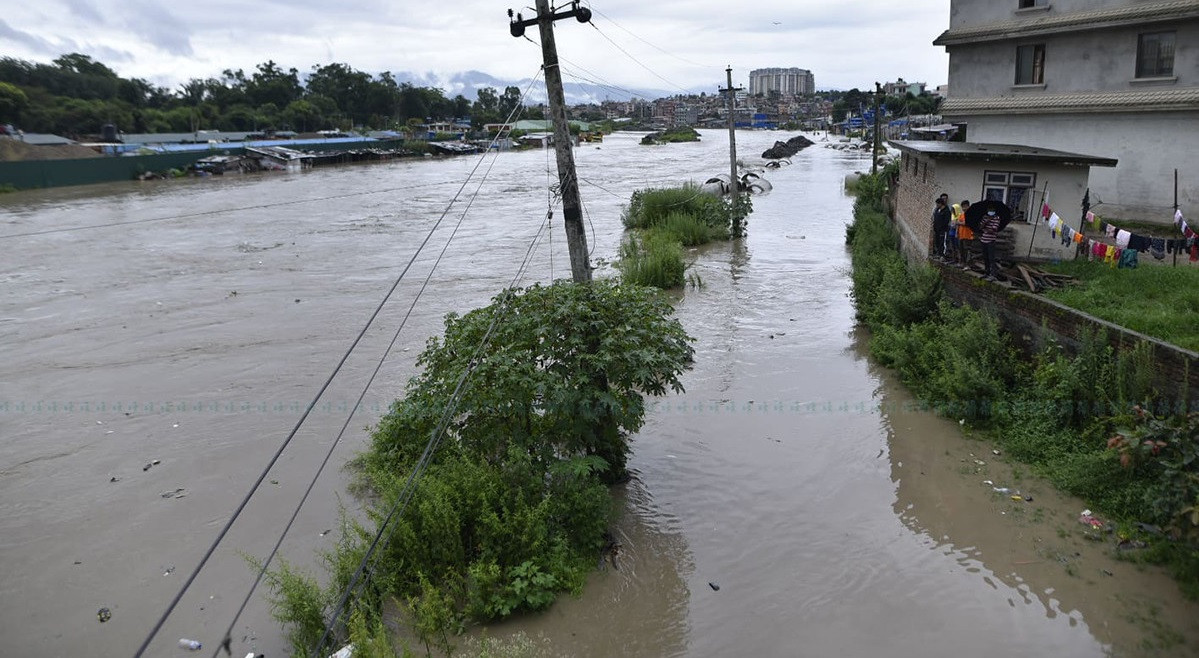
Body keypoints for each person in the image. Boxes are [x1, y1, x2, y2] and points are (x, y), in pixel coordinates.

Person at [979, 208, 1002, 280]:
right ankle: (987, 272)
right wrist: (986, 222)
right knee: (985, 257)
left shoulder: (997, 218)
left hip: (991, 240)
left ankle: (993, 274)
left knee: (991, 258)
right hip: (984, 239)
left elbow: (994, 229)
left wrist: (985, 229)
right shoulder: (985, 218)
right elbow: (980, 227)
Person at [955, 200, 973, 267]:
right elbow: (958, 224)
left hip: (968, 236)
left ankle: (967, 265)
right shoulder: (961, 215)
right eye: (963, 207)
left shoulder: (971, 215)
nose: (964, 208)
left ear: (969, 206)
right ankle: (962, 263)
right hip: (961, 235)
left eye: (966, 206)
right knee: (961, 250)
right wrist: (957, 233)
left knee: (967, 251)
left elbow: (966, 223)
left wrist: (959, 222)